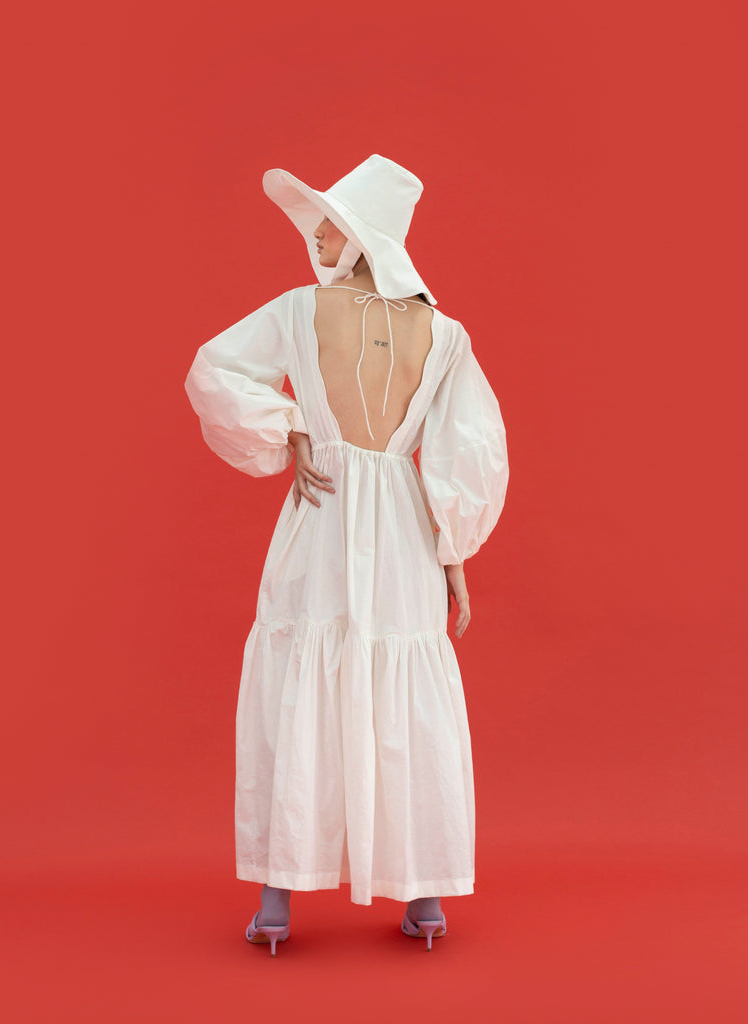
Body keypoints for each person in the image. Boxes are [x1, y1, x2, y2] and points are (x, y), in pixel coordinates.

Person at [184, 154, 509, 954]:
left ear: (365, 233)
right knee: (405, 691)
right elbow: (467, 449)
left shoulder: (302, 310)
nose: (317, 235)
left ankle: (276, 903)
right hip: (402, 522)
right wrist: (452, 549)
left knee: (303, 681)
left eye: (330, 222)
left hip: (321, 513)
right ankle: (424, 900)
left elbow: (214, 370)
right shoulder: (444, 334)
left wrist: (292, 426)